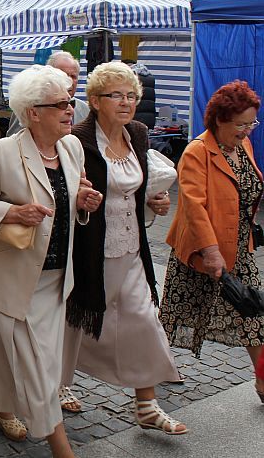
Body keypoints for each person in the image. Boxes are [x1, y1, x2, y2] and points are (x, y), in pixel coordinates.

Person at [0, 64, 100, 457]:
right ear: (33, 112)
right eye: (60, 104)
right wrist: (12, 213)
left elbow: (68, 198)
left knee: (21, 358)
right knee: (38, 367)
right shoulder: (2, 152)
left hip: (56, 277)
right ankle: (60, 445)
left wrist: (82, 202)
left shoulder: (71, 147)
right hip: (14, 277)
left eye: (71, 101)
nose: (70, 109)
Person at [61, 61, 186, 435]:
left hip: (131, 250)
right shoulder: (78, 140)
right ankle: (53, 385)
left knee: (143, 320)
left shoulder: (138, 134)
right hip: (89, 252)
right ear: (95, 100)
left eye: (132, 95)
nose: (127, 102)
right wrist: (79, 199)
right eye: (116, 95)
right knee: (72, 324)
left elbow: (138, 187)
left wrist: (154, 201)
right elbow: (61, 190)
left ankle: (146, 405)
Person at [160, 79, 264, 403]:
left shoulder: (242, 146)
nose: (247, 131)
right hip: (199, 251)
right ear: (220, 119)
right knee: (175, 314)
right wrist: (211, 251)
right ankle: (155, 364)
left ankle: (263, 382)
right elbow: (194, 207)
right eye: (241, 124)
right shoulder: (197, 152)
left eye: (252, 123)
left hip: (239, 248)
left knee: (255, 316)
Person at [7, 51, 89, 136]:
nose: (69, 81)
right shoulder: (28, 104)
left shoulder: (84, 109)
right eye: (63, 75)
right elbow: (15, 138)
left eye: (73, 76)